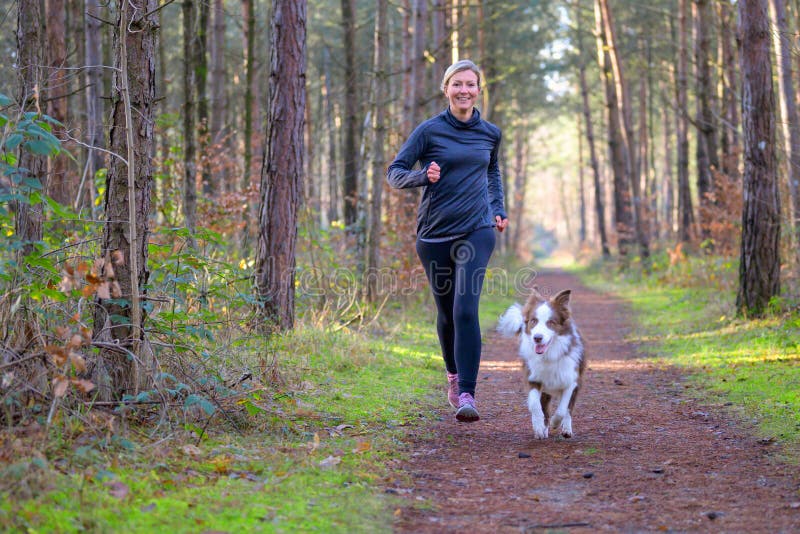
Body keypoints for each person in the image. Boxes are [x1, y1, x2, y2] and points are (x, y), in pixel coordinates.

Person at [387, 59, 508, 422]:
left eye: (470, 84)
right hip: (435, 234)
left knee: (465, 309)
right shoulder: (428, 131)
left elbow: (492, 171)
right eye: (457, 84)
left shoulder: (490, 133)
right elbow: (395, 173)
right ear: (446, 89)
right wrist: (423, 176)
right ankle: (453, 377)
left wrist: (497, 208)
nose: (464, 90)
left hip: (478, 230)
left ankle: (468, 393)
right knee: (446, 314)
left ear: (478, 89)